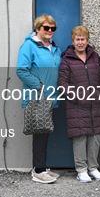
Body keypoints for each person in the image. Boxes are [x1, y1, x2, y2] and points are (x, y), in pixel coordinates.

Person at [59, 26, 100, 183]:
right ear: (73, 41)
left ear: (87, 40)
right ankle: (81, 170)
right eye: (77, 39)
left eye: (83, 39)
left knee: (95, 136)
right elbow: (63, 84)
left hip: (96, 104)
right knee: (80, 136)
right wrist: (79, 97)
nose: (80, 42)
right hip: (77, 105)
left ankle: (93, 168)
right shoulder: (67, 59)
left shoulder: (94, 57)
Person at [16, 14, 61, 184]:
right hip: (37, 98)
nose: (50, 31)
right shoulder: (29, 46)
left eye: (52, 28)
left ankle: (43, 166)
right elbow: (21, 70)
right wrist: (39, 86)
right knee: (40, 133)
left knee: (45, 132)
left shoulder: (54, 48)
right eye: (46, 28)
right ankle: (38, 170)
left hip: (50, 98)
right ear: (37, 28)